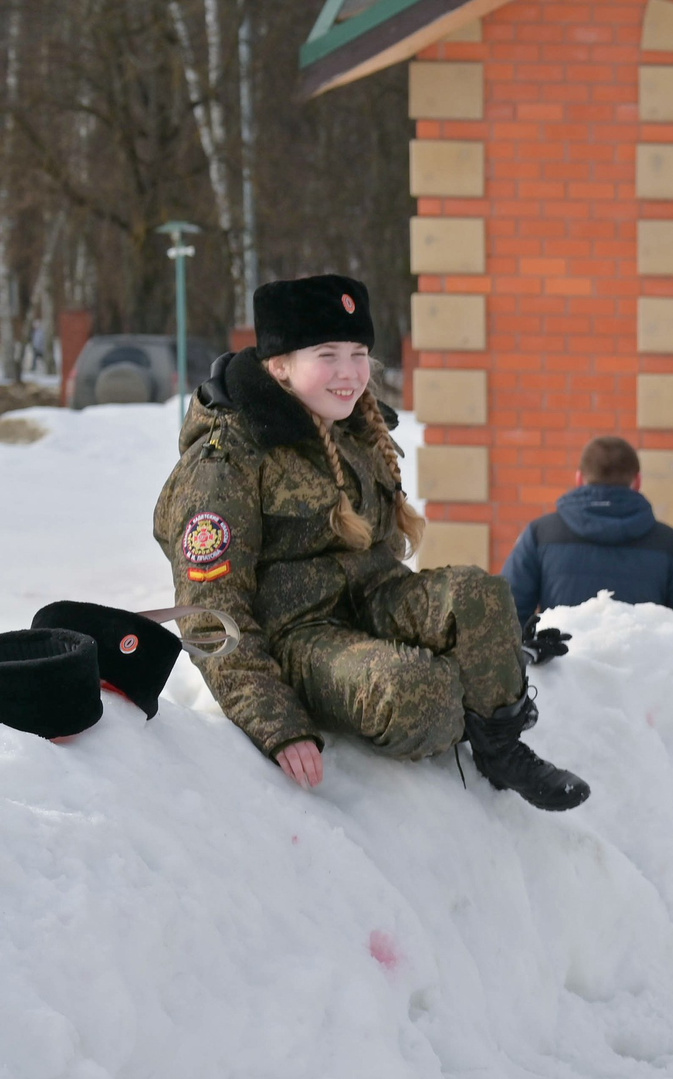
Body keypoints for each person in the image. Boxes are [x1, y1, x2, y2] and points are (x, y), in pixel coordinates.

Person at [152, 274, 589, 810]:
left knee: (481, 594)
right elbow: (207, 616)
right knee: (415, 693)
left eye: (358, 353)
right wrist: (277, 725)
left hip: (375, 599)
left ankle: (500, 748)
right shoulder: (226, 460)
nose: (349, 373)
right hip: (298, 636)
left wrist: (491, 642)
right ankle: (479, 701)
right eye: (327, 354)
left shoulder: (355, 427)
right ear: (280, 364)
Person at [501, 435, 673, 629]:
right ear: (637, 481)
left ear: (579, 478)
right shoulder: (669, 543)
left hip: (562, 665)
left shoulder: (541, 534)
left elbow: (505, 617)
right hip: (643, 668)